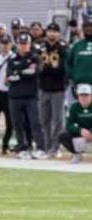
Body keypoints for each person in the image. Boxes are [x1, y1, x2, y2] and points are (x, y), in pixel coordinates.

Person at [36, 23, 69, 159]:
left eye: (55, 31)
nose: (52, 34)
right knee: (44, 119)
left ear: (59, 34)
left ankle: (56, 147)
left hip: (58, 88)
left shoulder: (63, 47)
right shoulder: (42, 47)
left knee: (58, 120)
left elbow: (63, 68)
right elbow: (40, 67)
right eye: (50, 31)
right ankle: (47, 147)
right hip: (44, 87)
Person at [6, 33, 41, 158]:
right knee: (18, 124)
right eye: (21, 44)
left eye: (25, 44)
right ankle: (22, 147)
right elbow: (10, 77)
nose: (23, 46)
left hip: (30, 95)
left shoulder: (34, 57)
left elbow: (34, 72)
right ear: (17, 45)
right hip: (15, 96)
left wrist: (18, 73)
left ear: (29, 44)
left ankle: (39, 147)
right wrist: (23, 72)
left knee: (34, 122)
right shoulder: (12, 58)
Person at [60, 83, 92, 163]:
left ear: (91, 96)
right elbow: (69, 124)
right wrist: (80, 130)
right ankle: (76, 153)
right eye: (81, 95)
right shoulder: (74, 107)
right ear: (78, 96)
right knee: (63, 135)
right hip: (80, 133)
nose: (84, 98)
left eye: (86, 95)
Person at [66, 20, 92, 92]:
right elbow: (68, 63)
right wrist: (72, 76)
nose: (88, 29)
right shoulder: (77, 46)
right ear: (82, 29)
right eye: (86, 27)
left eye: (90, 27)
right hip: (80, 84)